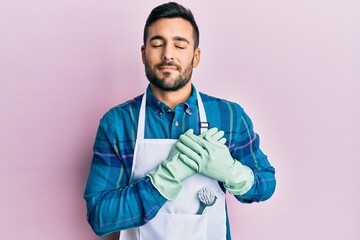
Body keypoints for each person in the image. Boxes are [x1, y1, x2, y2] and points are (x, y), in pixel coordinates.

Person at [83, 2, 276, 240]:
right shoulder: (119, 123)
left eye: (179, 44)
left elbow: (266, 184)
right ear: (144, 54)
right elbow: (100, 216)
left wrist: (233, 173)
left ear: (195, 56)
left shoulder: (229, 117)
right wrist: (162, 180)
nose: (168, 54)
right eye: (157, 44)